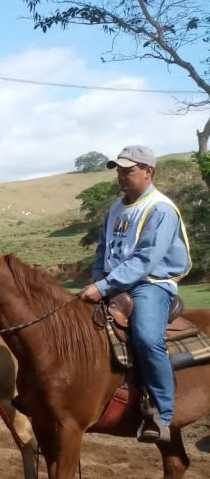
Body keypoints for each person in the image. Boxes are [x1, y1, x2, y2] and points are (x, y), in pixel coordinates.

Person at [79, 145, 191, 442]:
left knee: (146, 337)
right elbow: (104, 248)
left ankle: (162, 414)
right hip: (113, 282)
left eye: (128, 170)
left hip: (150, 284)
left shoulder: (161, 209)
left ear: (148, 171)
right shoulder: (117, 208)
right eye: (118, 170)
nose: (121, 176)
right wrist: (99, 277)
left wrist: (103, 287)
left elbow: (146, 260)